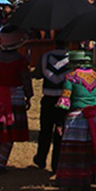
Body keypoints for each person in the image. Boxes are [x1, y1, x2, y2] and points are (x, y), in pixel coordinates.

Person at [55, 48, 96, 191]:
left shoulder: (71, 77)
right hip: (92, 120)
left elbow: (64, 101)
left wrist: (59, 122)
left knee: (73, 153)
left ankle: (71, 183)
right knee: (87, 153)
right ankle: (86, 184)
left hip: (75, 119)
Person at [0, 25, 33, 173]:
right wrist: (29, 96)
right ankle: (2, 162)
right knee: (10, 130)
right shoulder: (20, 60)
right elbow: (26, 79)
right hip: (15, 96)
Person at [32, 38, 69, 172]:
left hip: (48, 98)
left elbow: (37, 74)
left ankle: (41, 158)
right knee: (60, 132)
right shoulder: (71, 59)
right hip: (64, 99)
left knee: (45, 131)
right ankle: (56, 163)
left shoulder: (45, 56)